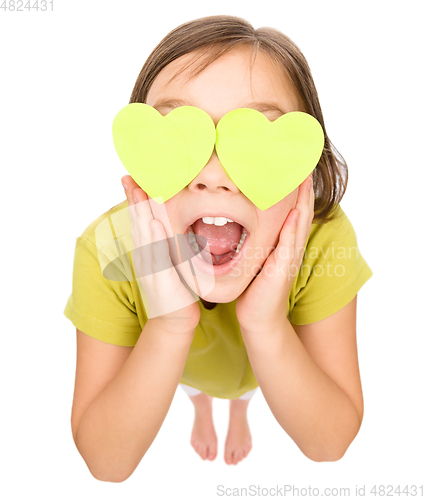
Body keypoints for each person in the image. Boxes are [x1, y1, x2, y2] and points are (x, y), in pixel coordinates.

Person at [64, 15, 373, 482]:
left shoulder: (321, 244)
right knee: (197, 385)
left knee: (242, 388)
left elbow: (330, 444)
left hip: (259, 373)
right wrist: (170, 325)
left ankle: (239, 410)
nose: (212, 175)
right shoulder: (112, 252)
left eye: (253, 143)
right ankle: (203, 408)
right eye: (180, 140)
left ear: (302, 172)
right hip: (184, 370)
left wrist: (265, 324)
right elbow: (106, 464)